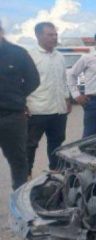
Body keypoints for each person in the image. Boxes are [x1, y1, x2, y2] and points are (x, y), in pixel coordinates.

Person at [27, 22, 71, 178]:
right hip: (37, 109)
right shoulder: (30, 56)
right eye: (50, 35)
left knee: (57, 143)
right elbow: (21, 83)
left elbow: (63, 79)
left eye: (55, 34)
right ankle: (26, 175)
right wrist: (23, 104)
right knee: (30, 145)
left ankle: (55, 171)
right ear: (38, 35)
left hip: (58, 110)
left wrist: (67, 98)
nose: (54, 37)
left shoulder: (59, 56)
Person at [0, 21, 40, 189]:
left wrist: (16, 97)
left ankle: (19, 202)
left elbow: (33, 80)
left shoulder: (18, 53)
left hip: (12, 117)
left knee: (18, 162)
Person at [68, 29, 96, 137]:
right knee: (89, 135)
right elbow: (71, 75)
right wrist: (76, 95)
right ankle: (85, 154)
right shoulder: (88, 58)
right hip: (93, 102)